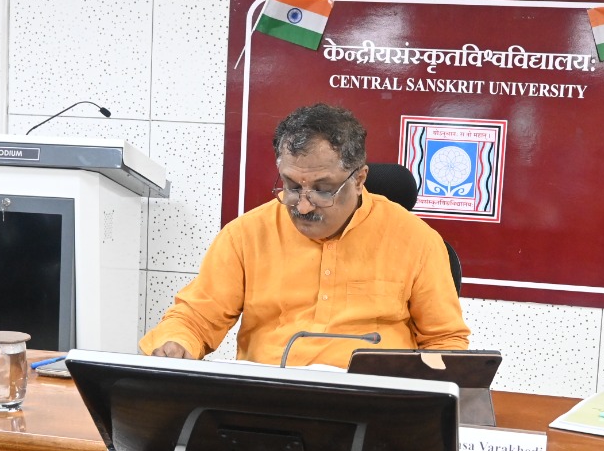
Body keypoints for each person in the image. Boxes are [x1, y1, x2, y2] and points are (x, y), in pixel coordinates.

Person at [141, 103, 470, 367]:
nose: (303, 205)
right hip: (268, 406)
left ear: (359, 180)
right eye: (292, 186)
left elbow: (445, 342)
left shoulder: (415, 240)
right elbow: (195, 318)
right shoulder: (246, 235)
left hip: (372, 410)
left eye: (323, 190)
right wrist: (177, 342)